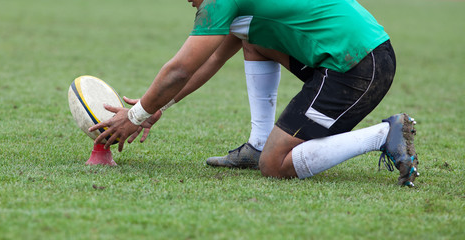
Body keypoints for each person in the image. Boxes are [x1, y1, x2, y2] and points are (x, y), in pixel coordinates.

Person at [89, 0, 419, 186]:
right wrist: (162, 105)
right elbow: (214, 56)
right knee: (254, 40)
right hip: (351, 55)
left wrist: (137, 115)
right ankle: (257, 144)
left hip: (358, 64)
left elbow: (180, 69)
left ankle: (384, 134)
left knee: (275, 165)